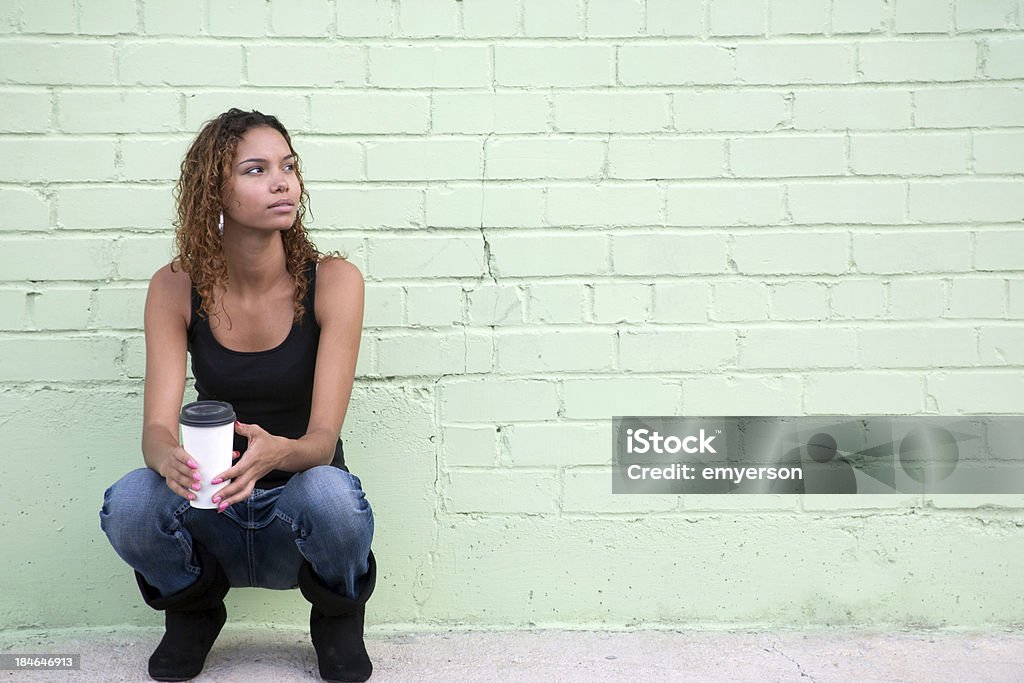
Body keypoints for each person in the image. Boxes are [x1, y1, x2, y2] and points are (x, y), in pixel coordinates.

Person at [99, 108, 375, 683]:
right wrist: (164, 457)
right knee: (129, 502)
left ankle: (339, 618)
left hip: (295, 509)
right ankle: (193, 611)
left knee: (332, 497)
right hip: (213, 507)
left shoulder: (335, 281)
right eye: (257, 170)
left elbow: (322, 442)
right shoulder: (176, 285)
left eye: (289, 167)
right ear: (215, 193)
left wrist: (278, 452)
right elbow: (155, 427)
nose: (282, 182)